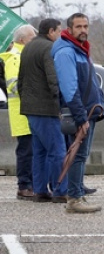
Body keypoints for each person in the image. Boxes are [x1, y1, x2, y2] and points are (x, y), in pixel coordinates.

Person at [52, 13, 104, 214]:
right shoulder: (66, 52)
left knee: (81, 155)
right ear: (70, 29)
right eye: (79, 27)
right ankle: (74, 198)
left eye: (86, 26)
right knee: (77, 155)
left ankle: (77, 194)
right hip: (80, 112)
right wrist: (81, 117)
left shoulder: (79, 49)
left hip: (87, 110)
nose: (83, 30)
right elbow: (69, 88)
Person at [19, 19, 68, 203]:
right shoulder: (49, 48)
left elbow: (21, 79)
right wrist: (60, 102)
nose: (60, 35)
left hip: (30, 108)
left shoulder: (28, 48)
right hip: (46, 108)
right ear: (50, 31)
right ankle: (60, 190)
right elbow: (52, 78)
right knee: (57, 150)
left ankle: (40, 190)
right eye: (59, 31)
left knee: (39, 152)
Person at [1, 24, 37, 200]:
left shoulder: (23, 55)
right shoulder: (15, 58)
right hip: (21, 112)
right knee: (25, 150)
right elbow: (15, 86)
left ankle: (29, 184)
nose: (35, 40)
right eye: (32, 37)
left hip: (27, 110)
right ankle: (24, 186)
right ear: (22, 39)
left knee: (30, 149)